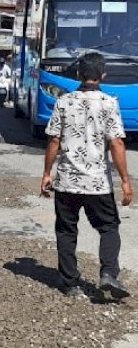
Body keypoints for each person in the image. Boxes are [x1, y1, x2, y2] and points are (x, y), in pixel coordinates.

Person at [41, 52, 133, 298]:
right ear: (103, 75)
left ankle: (70, 283)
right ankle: (108, 273)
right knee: (109, 227)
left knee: (66, 230)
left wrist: (47, 173)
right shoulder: (109, 102)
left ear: (79, 74)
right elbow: (117, 144)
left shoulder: (63, 101)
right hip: (97, 183)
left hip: (66, 181)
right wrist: (125, 180)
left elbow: (54, 140)